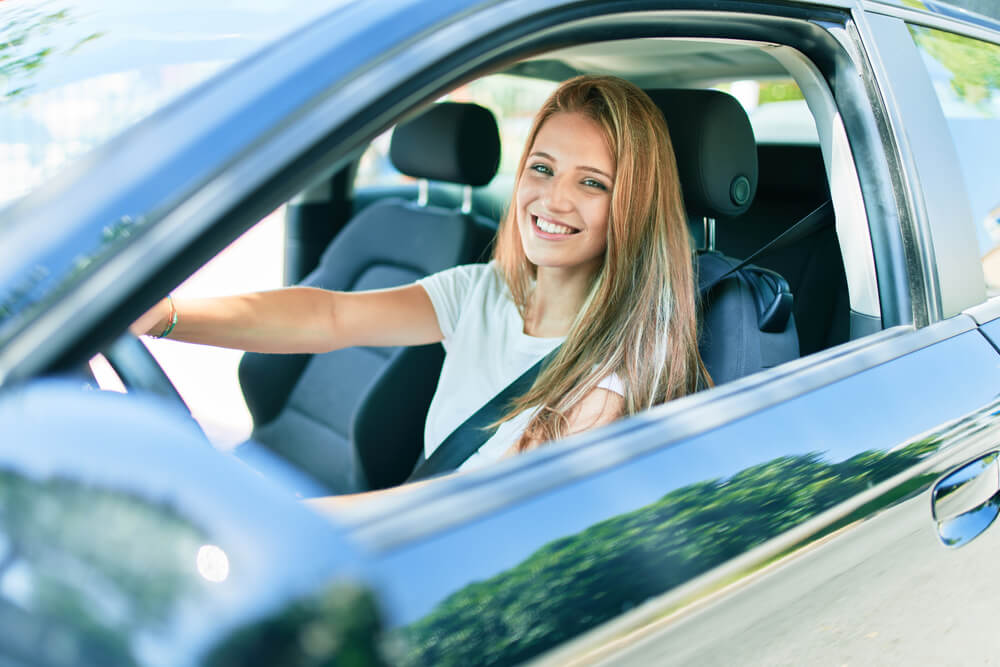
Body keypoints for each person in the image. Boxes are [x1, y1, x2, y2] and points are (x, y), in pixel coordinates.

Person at [132, 74, 710, 482]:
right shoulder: (484, 292)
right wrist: (167, 316)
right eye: (542, 168)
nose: (553, 199)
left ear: (633, 204)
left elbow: (470, 511)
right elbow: (330, 316)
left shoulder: (620, 366)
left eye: (592, 183)